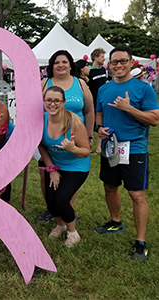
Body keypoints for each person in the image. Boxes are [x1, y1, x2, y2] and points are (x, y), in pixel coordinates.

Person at [94, 45, 159, 261]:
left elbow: (155, 119)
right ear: (109, 65)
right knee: (110, 186)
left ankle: (141, 242)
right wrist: (99, 128)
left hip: (135, 148)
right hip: (110, 146)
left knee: (136, 195)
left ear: (131, 63)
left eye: (123, 61)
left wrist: (129, 108)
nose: (119, 65)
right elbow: (99, 114)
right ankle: (115, 222)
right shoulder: (103, 89)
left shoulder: (143, 89)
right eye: (115, 62)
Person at [37, 50, 94, 222]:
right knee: (46, 175)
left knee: (70, 177)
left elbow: (90, 110)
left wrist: (90, 136)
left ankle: (68, 211)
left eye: (64, 62)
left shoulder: (80, 84)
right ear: (51, 66)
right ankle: (52, 209)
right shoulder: (44, 83)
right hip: (48, 139)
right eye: (56, 62)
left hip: (75, 137)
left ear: (71, 65)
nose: (60, 65)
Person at [39, 86, 90, 247]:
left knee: (61, 200)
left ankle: (72, 232)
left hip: (76, 166)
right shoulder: (42, 120)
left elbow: (85, 151)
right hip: (55, 166)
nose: (52, 104)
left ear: (63, 102)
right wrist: (51, 169)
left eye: (56, 101)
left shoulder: (74, 121)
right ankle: (60, 226)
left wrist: (73, 148)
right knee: (51, 203)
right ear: (44, 101)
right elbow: (41, 146)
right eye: (48, 100)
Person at [88, 48, 108, 154]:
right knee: (90, 123)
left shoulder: (103, 70)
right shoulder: (89, 71)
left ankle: (99, 147)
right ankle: (88, 145)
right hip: (92, 101)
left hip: (102, 100)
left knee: (102, 123)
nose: (104, 59)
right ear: (95, 58)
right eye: (102, 56)